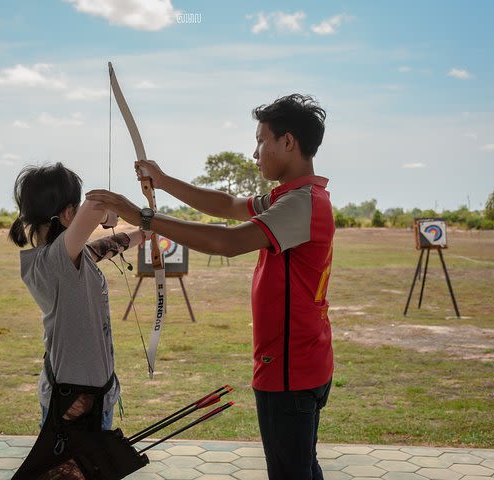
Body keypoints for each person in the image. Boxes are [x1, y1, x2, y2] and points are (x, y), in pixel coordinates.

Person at [87, 94, 334, 480]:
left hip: (290, 370)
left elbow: (227, 242)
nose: (255, 153)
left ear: (288, 142)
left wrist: (142, 217)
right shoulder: (293, 197)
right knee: (301, 468)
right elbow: (229, 205)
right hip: (297, 363)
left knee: (291, 472)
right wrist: (163, 181)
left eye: (260, 140)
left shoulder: (301, 203)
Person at [8, 162, 145, 431]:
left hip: (90, 394)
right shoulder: (55, 260)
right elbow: (96, 204)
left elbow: (98, 250)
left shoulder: (64, 258)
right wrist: (110, 217)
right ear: (70, 213)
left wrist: (142, 234)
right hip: (73, 401)